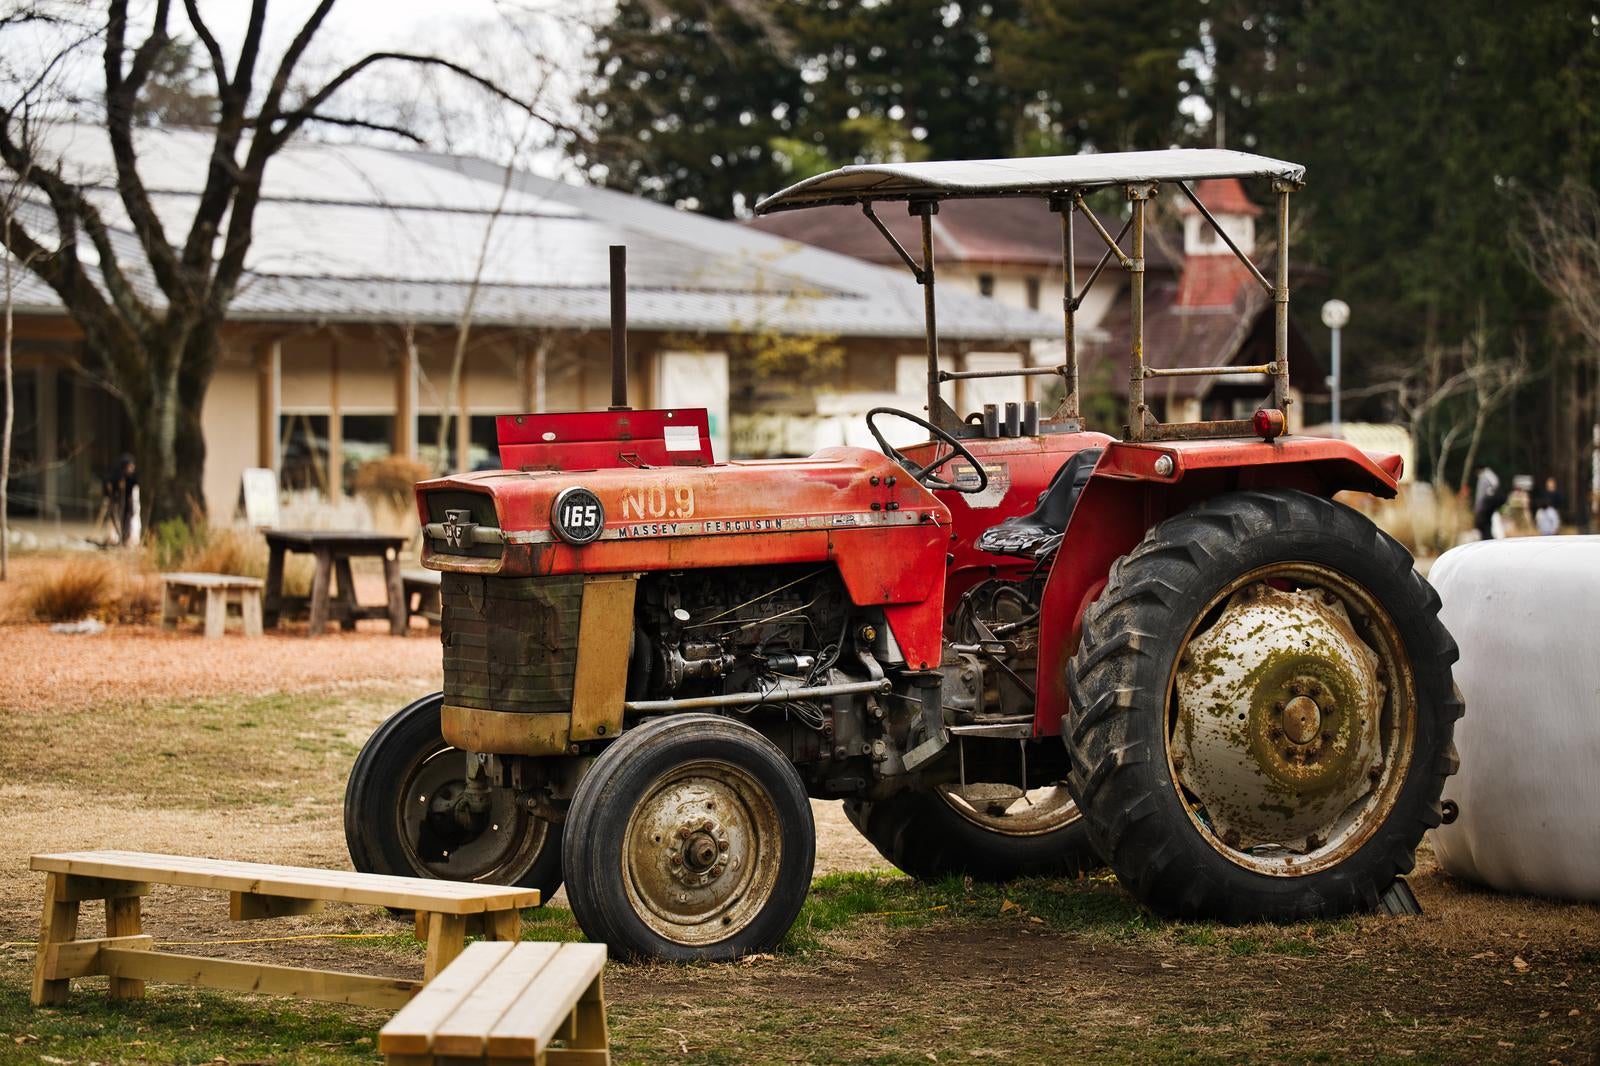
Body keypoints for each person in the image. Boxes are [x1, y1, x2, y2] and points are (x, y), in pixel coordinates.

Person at [103, 453, 140, 546]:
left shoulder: (132, 477)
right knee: (116, 519)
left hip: (128, 503)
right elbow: (109, 484)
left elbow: (133, 486)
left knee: (127, 521)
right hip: (117, 502)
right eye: (130, 466)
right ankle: (117, 537)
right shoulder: (117, 475)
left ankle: (125, 538)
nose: (132, 468)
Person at [1472, 466, 1503, 541]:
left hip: (1486, 504)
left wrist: (1490, 492)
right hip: (1484, 504)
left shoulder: (1486, 475)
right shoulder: (1485, 476)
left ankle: (1488, 537)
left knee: (1485, 523)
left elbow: (1495, 483)